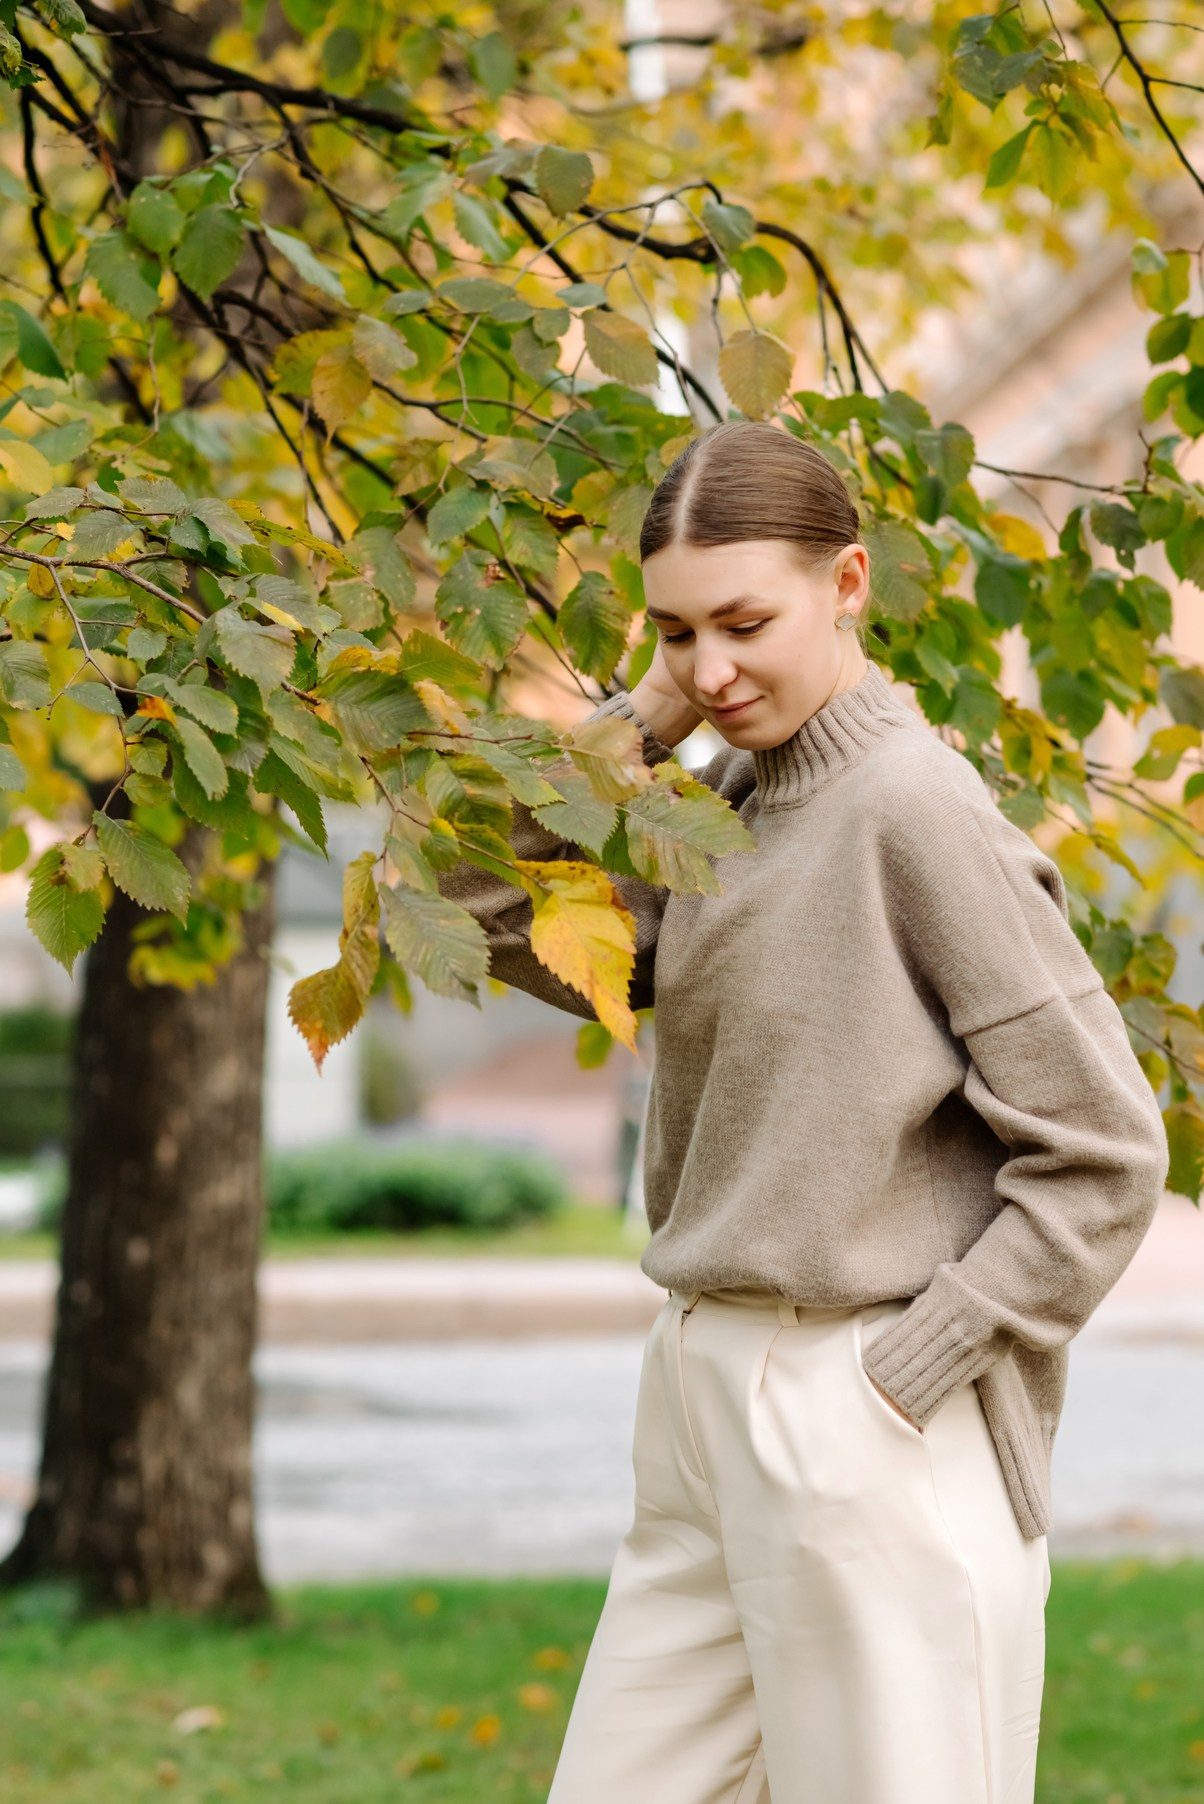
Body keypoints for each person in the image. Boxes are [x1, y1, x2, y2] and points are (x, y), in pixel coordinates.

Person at [438, 419, 1170, 1804]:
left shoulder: (914, 811)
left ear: (848, 586)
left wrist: (903, 1374)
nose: (711, 670)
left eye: (744, 622)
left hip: (868, 1410)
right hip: (703, 1399)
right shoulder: (722, 802)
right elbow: (480, 906)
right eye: (674, 632)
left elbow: (1107, 1150)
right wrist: (637, 724)